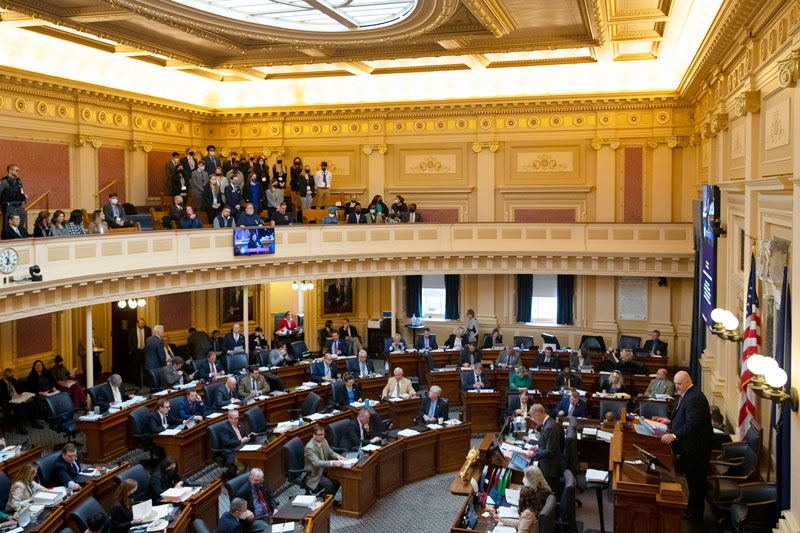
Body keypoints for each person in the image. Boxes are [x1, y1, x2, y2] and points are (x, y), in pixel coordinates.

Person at [660, 371, 713, 520]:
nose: (676, 387)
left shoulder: (694, 398)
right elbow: (683, 415)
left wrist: (674, 435)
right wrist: (671, 422)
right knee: (691, 480)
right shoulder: (686, 394)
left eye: (679, 384)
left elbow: (693, 425)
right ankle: (691, 509)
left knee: (696, 482)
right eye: (675, 383)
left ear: (688, 381)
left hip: (697, 448)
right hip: (690, 447)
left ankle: (696, 514)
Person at [524, 404, 563, 495]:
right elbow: (547, 443)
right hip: (549, 465)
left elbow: (551, 451)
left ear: (538, 415)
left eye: (534, 418)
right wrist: (537, 447)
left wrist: (534, 454)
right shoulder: (548, 423)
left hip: (550, 469)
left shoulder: (549, 427)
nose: (534, 420)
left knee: (547, 493)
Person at [304, 425, 344, 500]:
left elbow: (330, 452)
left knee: (338, 480)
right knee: (330, 484)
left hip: (325, 470)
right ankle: (323, 500)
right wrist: (332, 462)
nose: (322, 436)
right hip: (315, 474)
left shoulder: (324, 441)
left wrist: (338, 457)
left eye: (323, 434)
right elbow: (317, 463)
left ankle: (326, 498)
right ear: (314, 435)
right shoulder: (309, 447)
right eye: (320, 435)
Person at [0, 368, 40, 433]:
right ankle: (21, 427)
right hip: (10, 401)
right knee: (22, 406)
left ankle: (34, 422)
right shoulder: (1, 383)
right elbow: (2, 396)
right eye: (11, 376)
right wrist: (13, 396)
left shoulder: (13, 380)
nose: (12, 377)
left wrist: (25, 396)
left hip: (19, 397)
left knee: (32, 402)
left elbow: (19, 389)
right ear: (6, 375)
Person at [219, 410, 252, 476]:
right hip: (232, 451)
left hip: (243, 448)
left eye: (238, 418)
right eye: (235, 418)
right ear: (229, 418)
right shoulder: (224, 428)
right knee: (242, 466)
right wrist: (241, 441)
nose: (237, 420)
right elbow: (227, 442)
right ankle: (238, 481)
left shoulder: (240, 424)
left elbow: (244, 435)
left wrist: (249, 436)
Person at [0, 164, 27, 230]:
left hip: (19, 206)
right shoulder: (4, 182)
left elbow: (21, 192)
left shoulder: (18, 181)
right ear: (10, 170)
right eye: (16, 170)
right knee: (8, 228)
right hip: (9, 207)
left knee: (20, 227)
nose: (17, 172)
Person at [127, 318, 150, 386]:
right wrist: (131, 350)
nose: (142, 325)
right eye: (140, 324)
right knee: (136, 367)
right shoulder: (132, 330)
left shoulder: (147, 329)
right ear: (137, 323)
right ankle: (138, 382)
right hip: (136, 351)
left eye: (143, 324)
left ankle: (146, 382)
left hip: (145, 350)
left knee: (145, 367)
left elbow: (149, 339)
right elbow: (129, 341)